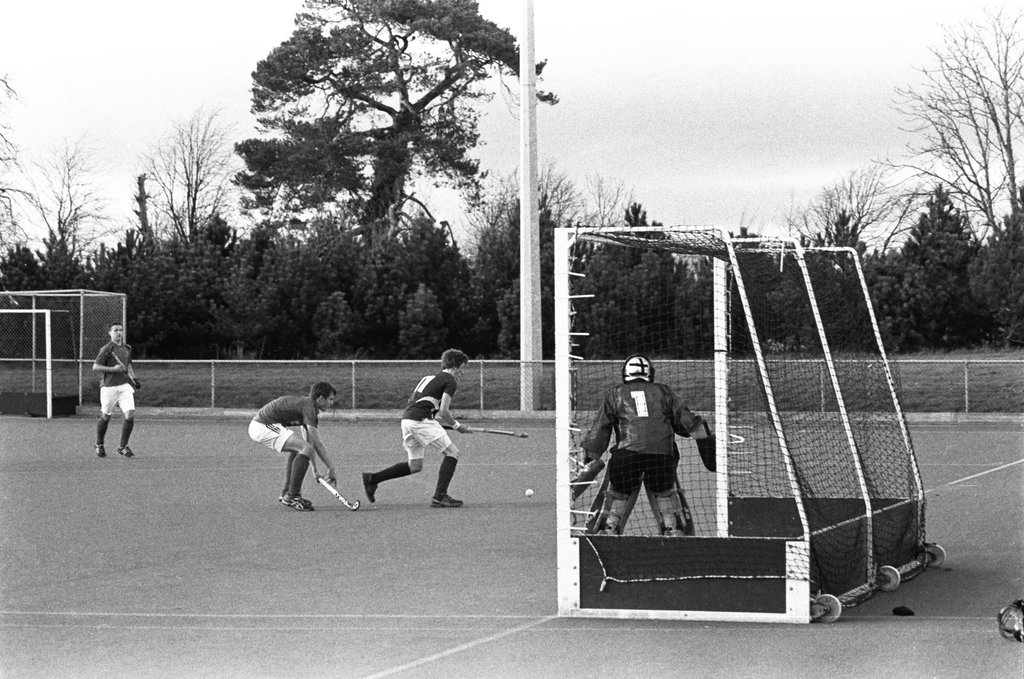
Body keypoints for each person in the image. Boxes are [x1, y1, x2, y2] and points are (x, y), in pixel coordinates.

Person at [581, 354, 714, 536]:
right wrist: (710, 455)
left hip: (626, 457)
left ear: (624, 374)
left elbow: (599, 431)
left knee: (620, 490)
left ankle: (609, 527)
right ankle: (673, 528)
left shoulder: (614, 394)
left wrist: (590, 456)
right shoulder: (664, 392)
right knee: (664, 491)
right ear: (650, 373)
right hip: (662, 458)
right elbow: (691, 424)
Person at [362, 348, 473, 508]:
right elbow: (444, 411)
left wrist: (431, 421)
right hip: (420, 421)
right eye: (462, 369)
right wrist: (457, 426)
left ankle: (372, 479)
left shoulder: (429, 377)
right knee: (452, 453)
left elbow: (422, 403)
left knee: (415, 465)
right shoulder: (450, 380)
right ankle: (440, 495)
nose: (462, 373)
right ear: (455, 367)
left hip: (407, 420)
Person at [248, 382, 339, 511]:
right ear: (320, 398)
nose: (332, 403)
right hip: (263, 425)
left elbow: (309, 444)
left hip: (262, 426)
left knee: (300, 449)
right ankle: (293, 497)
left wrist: (315, 471)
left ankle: (287, 492)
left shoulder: (308, 407)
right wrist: (331, 468)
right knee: (304, 448)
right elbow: (317, 443)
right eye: (330, 399)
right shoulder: (309, 408)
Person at [92, 322, 141, 458]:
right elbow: (95, 367)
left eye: (120, 330)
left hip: (124, 387)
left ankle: (122, 447)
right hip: (109, 388)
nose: (118, 333)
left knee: (130, 415)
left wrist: (134, 379)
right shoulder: (106, 349)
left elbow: (128, 365)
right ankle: (99, 443)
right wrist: (112, 369)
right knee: (106, 416)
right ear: (110, 333)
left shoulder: (126, 348)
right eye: (115, 330)